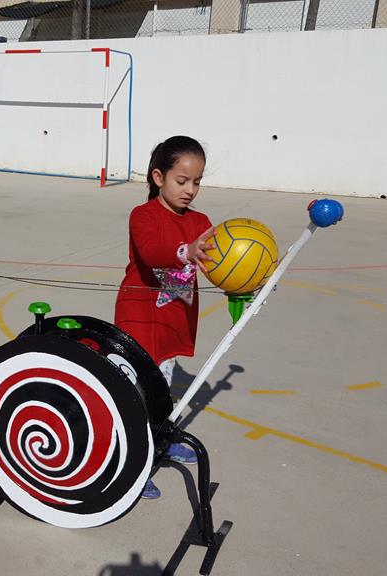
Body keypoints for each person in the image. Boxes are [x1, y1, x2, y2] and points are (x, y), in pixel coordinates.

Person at [115, 136, 215, 498]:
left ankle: (160, 438)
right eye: (182, 180)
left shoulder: (201, 221)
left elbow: (219, 263)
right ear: (158, 177)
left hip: (174, 317)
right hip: (140, 317)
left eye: (197, 182)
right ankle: (132, 461)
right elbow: (152, 252)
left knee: (161, 388)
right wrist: (186, 251)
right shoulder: (143, 216)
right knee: (137, 391)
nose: (190, 190)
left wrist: (250, 277)